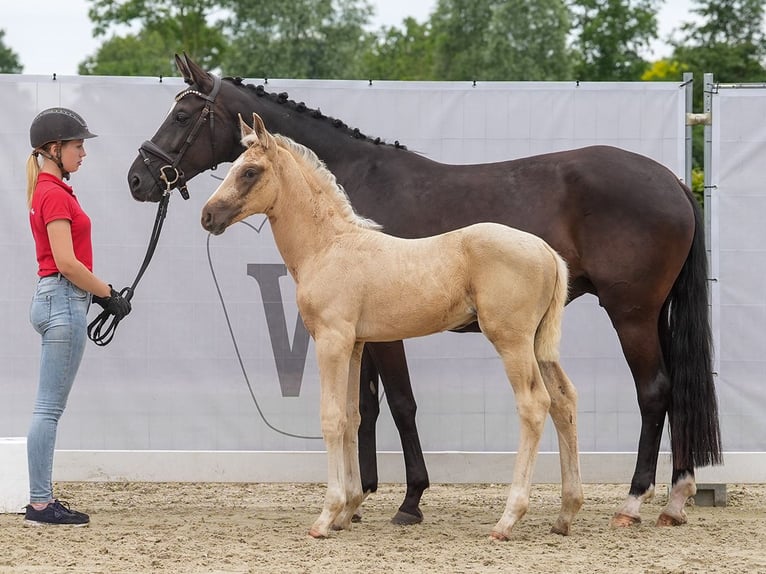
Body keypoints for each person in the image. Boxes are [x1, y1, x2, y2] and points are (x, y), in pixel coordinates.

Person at [24, 107, 131, 526]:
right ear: (54, 148)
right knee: (47, 410)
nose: (83, 153)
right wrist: (107, 295)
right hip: (64, 300)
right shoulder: (52, 193)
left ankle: (39, 499)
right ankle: (39, 504)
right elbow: (66, 262)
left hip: (58, 299)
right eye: (77, 145)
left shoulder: (52, 190)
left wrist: (100, 296)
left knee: (46, 408)